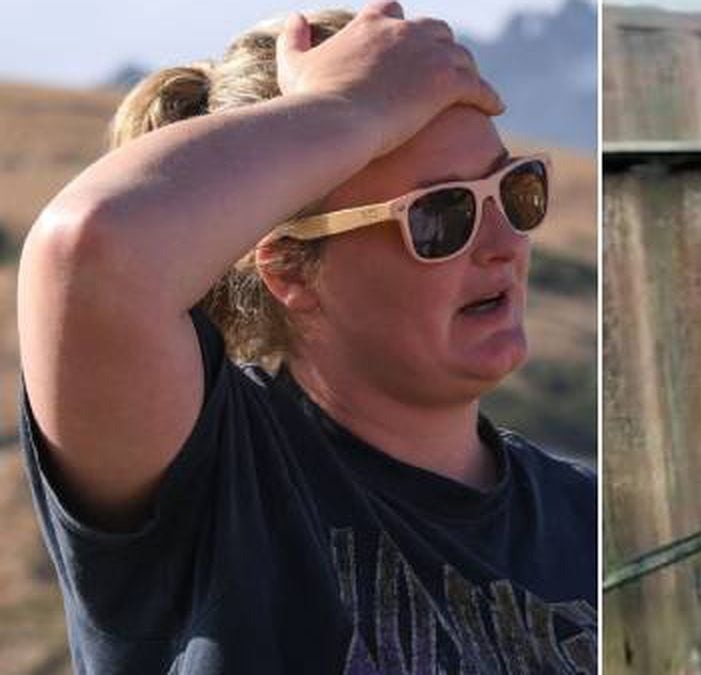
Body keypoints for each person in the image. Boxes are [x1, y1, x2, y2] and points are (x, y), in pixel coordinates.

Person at [16, 2, 596, 672]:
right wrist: (351, 108)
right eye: (442, 214)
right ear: (293, 271)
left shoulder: (586, 517)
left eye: (515, 189)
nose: (505, 244)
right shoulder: (217, 483)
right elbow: (92, 251)